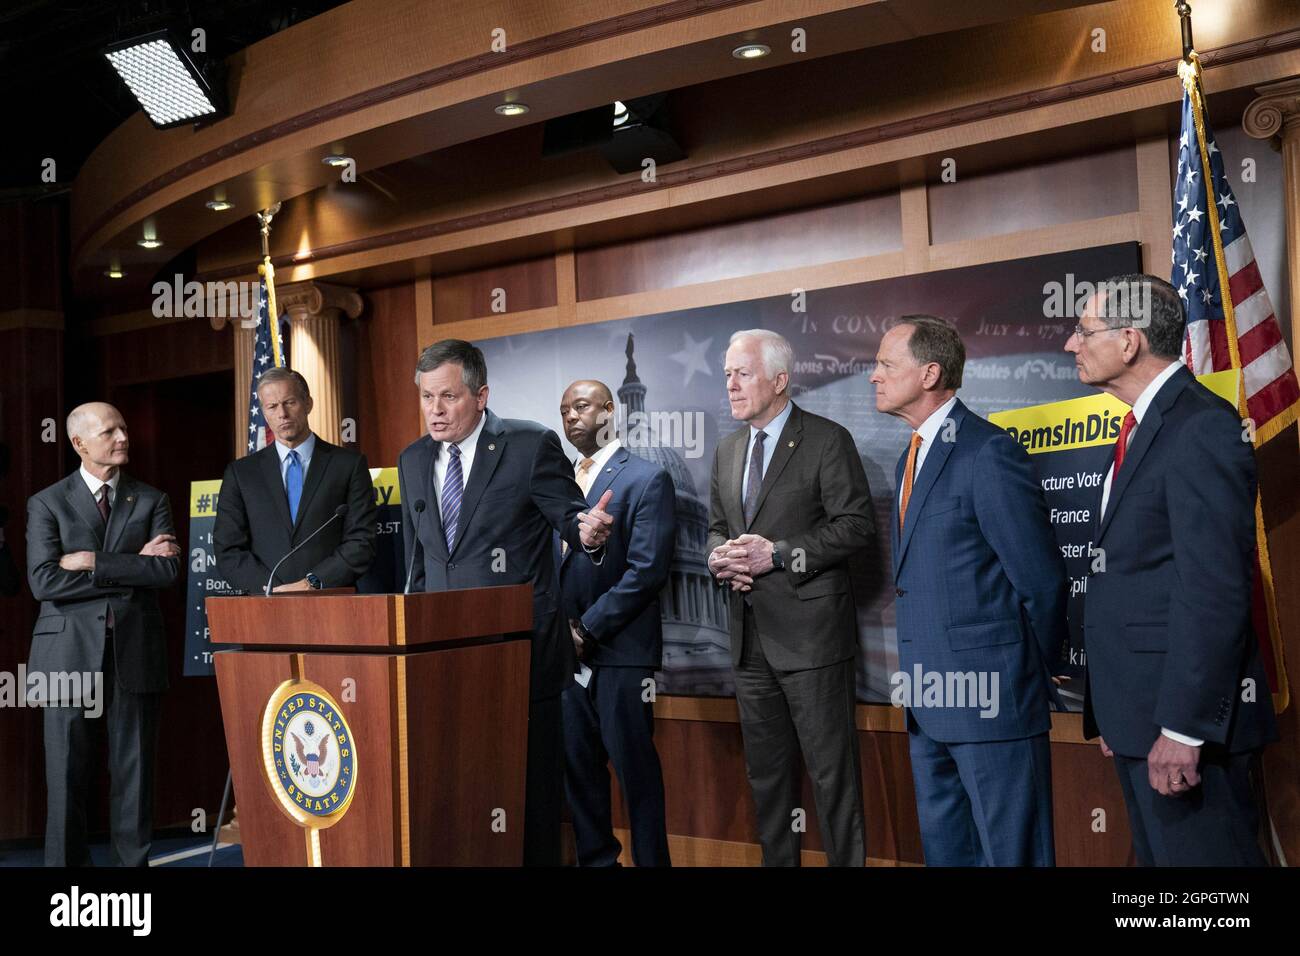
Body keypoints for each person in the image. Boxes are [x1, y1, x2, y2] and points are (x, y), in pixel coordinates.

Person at [1066, 274, 1277, 866]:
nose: (1071, 344)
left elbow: (1214, 591)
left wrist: (1183, 730)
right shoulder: (1142, 426)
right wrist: (1114, 708)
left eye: (1083, 331)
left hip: (1185, 734)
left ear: (1128, 341)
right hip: (1140, 720)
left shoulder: (1200, 426)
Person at [397, 340, 613, 866]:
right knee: (459, 797)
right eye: (427, 398)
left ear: (481, 394)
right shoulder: (413, 459)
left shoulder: (528, 445)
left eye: (448, 396)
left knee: (528, 800)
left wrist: (590, 533)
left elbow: (572, 518)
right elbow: (419, 564)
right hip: (443, 662)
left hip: (521, 657)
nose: (436, 410)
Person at [871, 315, 1067, 866]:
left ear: (930, 372)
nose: (873, 376)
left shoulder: (989, 452)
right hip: (928, 702)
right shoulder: (907, 459)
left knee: (1012, 856)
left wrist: (1030, 670)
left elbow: (1042, 580)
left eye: (887, 364)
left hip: (994, 700)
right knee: (948, 855)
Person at [707, 329, 872, 867]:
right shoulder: (728, 448)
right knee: (769, 780)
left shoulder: (827, 439)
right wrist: (716, 557)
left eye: (742, 373)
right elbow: (715, 527)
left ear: (779, 381)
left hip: (812, 643)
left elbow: (855, 526)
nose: (730, 384)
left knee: (832, 780)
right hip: (749, 644)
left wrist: (776, 555)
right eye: (727, 372)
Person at [26, 402, 180, 865]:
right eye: (110, 431)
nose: (122, 437)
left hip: (134, 654)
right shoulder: (46, 502)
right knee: (66, 779)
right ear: (79, 444)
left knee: (133, 778)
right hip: (65, 657)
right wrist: (136, 562)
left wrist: (93, 561)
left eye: (124, 427)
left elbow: (168, 570)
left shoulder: (152, 499)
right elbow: (44, 581)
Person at [557, 378, 675, 867]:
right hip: (562, 657)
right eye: (564, 409)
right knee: (579, 777)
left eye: (581, 406)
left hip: (621, 655)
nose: (570, 416)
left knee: (637, 778)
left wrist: (586, 630)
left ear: (609, 411)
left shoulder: (646, 478)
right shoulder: (556, 485)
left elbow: (646, 571)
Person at [214, 367, 376, 595]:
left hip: (331, 601)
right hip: (264, 606)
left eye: (289, 402)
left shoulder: (348, 465)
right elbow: (228, 549)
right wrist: (272, 589)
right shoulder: (241, 474)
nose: (282, 414)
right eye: (272, 406)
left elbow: (361, 541)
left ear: (308, 404)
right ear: (264, 412)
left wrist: (312, 582)